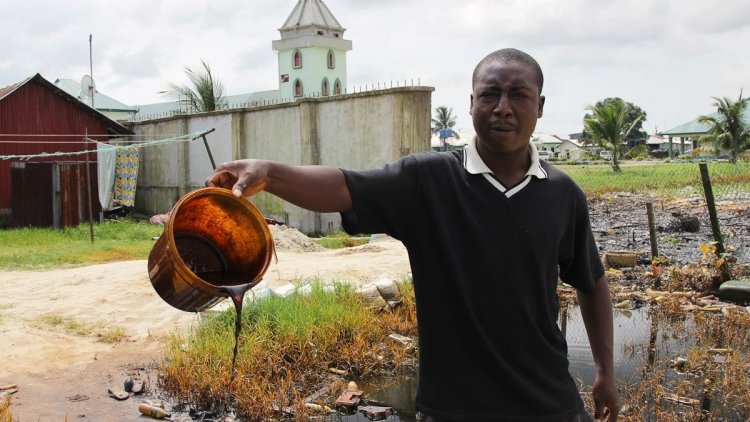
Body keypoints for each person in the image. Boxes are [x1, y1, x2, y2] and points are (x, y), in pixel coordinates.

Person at [207, 48, 620, 421]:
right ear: (471, 103)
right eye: (490, 94)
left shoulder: (562, 194)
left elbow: (591, 280)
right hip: (454, 408)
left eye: (519, 95)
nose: (503, 108)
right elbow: (343, 186)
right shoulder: (429, 182)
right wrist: (271, 172)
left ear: (540, 106)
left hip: (550, 405)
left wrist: (605, 370)